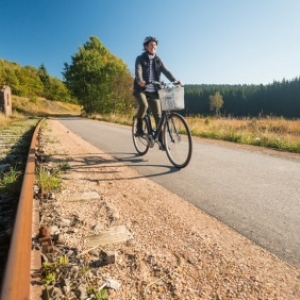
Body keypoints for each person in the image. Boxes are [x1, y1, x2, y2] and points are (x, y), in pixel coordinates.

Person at [133, 36, 183, 148]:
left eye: (155, 45)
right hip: (141, 89)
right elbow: (138, 70)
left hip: (154, 91)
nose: (153, 47)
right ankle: (139, 126)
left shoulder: (158, 60)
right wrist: (140, 80)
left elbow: (166, 71)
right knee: (144, 105)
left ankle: (160, 140)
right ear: (146, 47)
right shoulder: (140, 58)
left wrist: (175, 81)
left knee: (159, 116)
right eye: (151, 45)